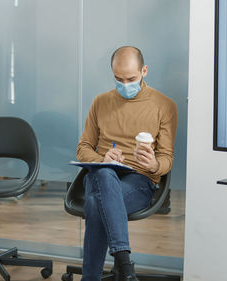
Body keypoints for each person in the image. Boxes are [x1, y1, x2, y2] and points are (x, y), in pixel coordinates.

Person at [76, 46, 178, 281]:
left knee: (94, 203)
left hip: (139, 180)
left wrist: (153, 165)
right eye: (118, 79)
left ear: (144, 71)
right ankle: (125, 265)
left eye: (131, 78)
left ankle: (93, 277)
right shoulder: (100, 102)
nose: (124, 84)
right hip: (101, 174)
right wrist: (102, 159)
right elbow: (83, 149)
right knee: (103, 175)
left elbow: (167, 158)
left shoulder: (164, 105)